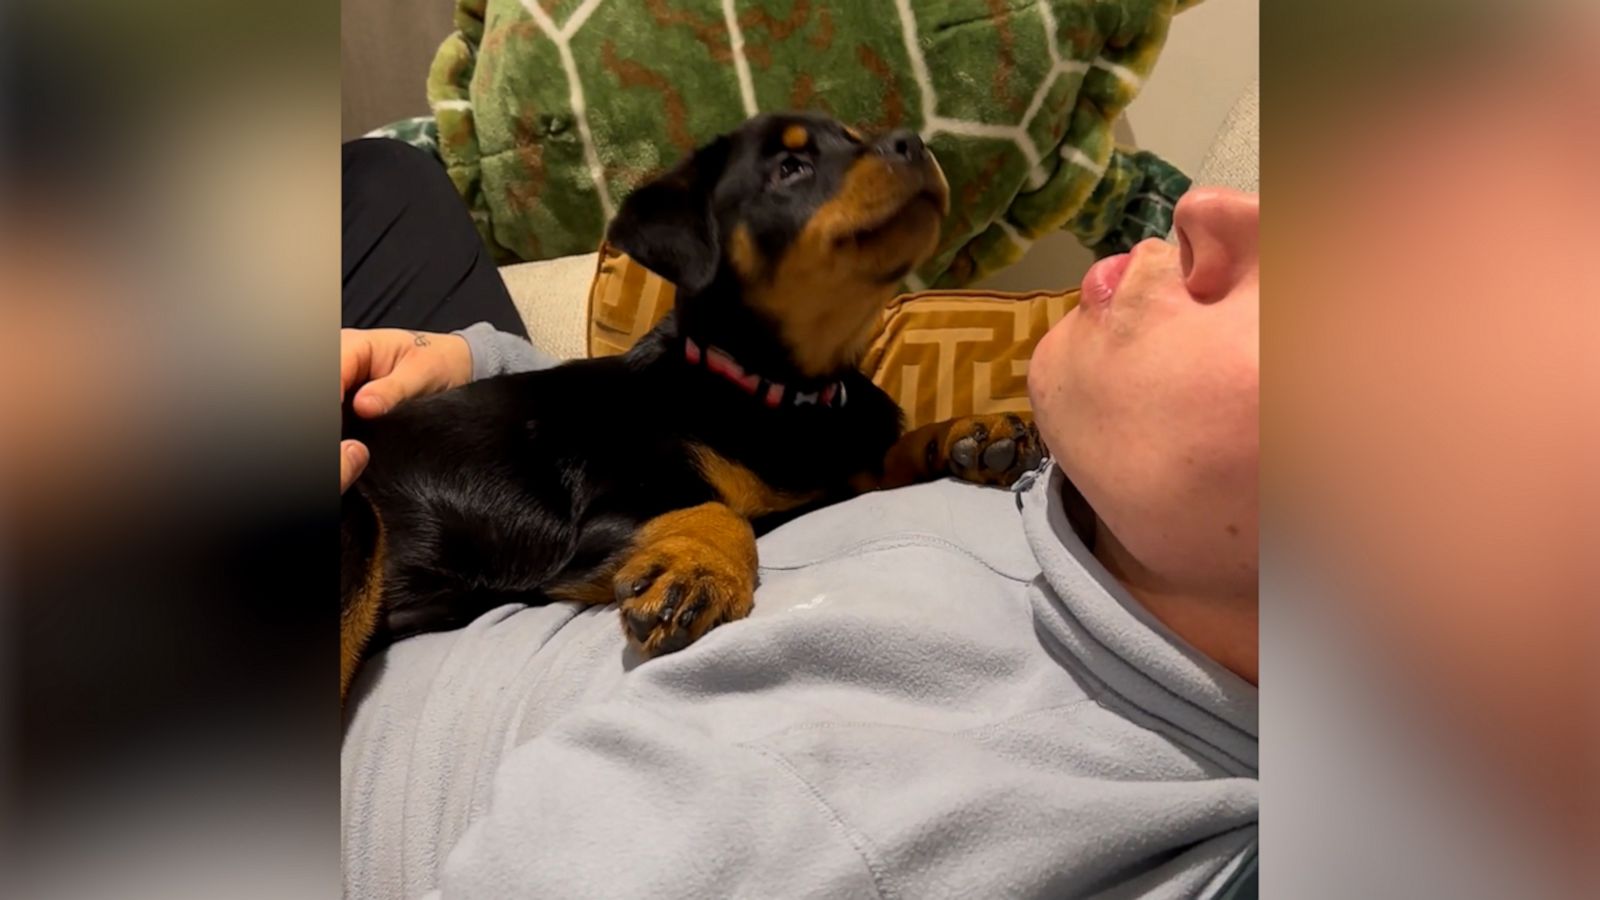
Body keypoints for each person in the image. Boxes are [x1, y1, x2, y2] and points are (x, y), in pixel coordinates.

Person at [340, 138, 1259, 899]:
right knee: (392, 174)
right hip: (430, 444)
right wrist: (470, 363)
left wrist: (706, 530)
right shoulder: (1094, 495)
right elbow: (595, 432)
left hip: (364, 614)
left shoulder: (886, 811)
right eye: (795, 168)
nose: (1208, 204)